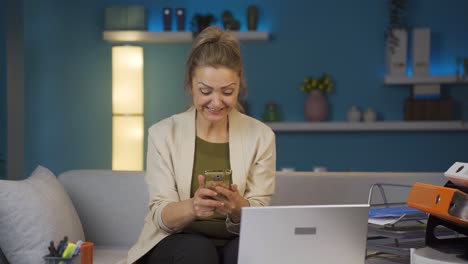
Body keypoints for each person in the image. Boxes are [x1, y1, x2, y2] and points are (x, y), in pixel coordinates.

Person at [126, 26, 276, 264]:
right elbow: (160, 215)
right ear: (190, 84)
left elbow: (259, 213)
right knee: (198, 250)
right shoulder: (163, 134)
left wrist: (239, 208)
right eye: (205, 91)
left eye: (227, 91)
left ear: (239, 85)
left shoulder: (261, 136)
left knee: (247, 253)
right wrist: (193, 207)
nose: (216, 102)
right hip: (177, 242)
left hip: (234, 241)